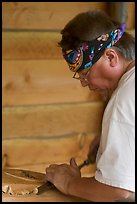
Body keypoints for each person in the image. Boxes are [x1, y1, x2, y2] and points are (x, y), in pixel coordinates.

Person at [45, 10, 135, 202]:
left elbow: (116, 190)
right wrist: (111, 137)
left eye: (85, 73)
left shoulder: (123, 100)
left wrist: (69, 183)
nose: (83, 83)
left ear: (111, 57)